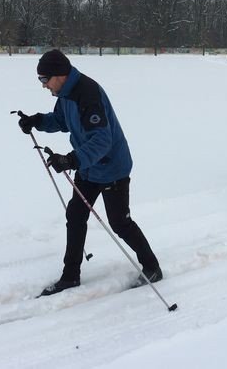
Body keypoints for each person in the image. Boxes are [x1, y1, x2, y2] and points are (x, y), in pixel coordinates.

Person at [18, 49, 162, 295]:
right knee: (75, 215)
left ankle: (152, 267)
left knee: (119, 223)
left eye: (44, 79)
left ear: (60, 75)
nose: (43, 85)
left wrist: (72, 160)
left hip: (111, 165)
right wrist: (37, 121)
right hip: (89, 167)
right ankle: (70, 276)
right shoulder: (65, 93)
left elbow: (102, 140)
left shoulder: (88, 93)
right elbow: (62, 121)